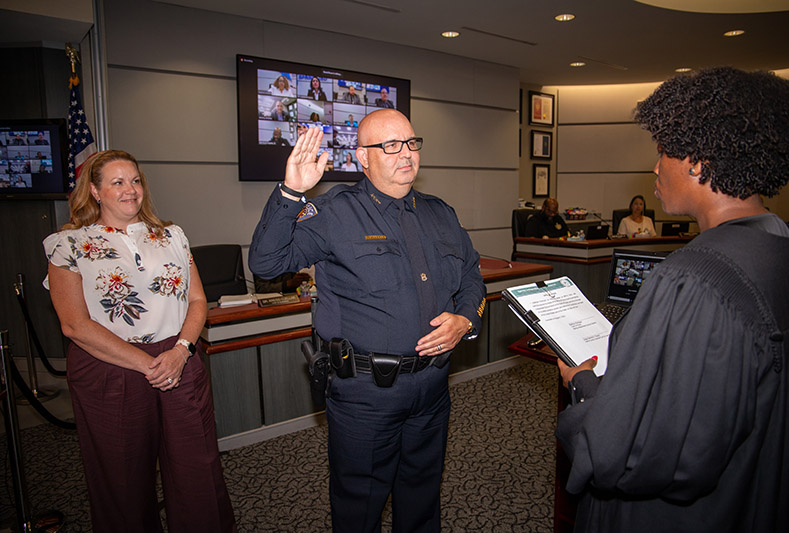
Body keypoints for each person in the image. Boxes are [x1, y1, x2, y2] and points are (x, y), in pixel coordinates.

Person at [555, 67, 789, 532]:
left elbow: (628, 452)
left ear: (698, 161)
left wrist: (583, 386)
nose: (655, 167)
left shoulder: (692, 280)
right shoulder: (785, 249)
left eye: (663, 151)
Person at [249, 109, 486, 532]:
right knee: (360, 506)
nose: (406, 154)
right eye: (390, 145)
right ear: (362, 157)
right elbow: (267, 263)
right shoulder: (333, 213)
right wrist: (290, 193)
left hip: (431, 386)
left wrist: (465, 319)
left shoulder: (440, 213)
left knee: (422, 498)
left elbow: (471, 275)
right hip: (365, 395)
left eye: (412, 143)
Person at [42, 150, 237, 532]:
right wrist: (148, 364)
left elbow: (198, 301)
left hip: (179, 359)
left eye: (135, 180)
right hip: (110, 369)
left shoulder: (172, 235)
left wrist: (180, 352)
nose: (130, 190)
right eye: (117, 182)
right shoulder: (69, 244)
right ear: (95, 191)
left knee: (198, 468)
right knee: (122, 478)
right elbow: (75, 325)